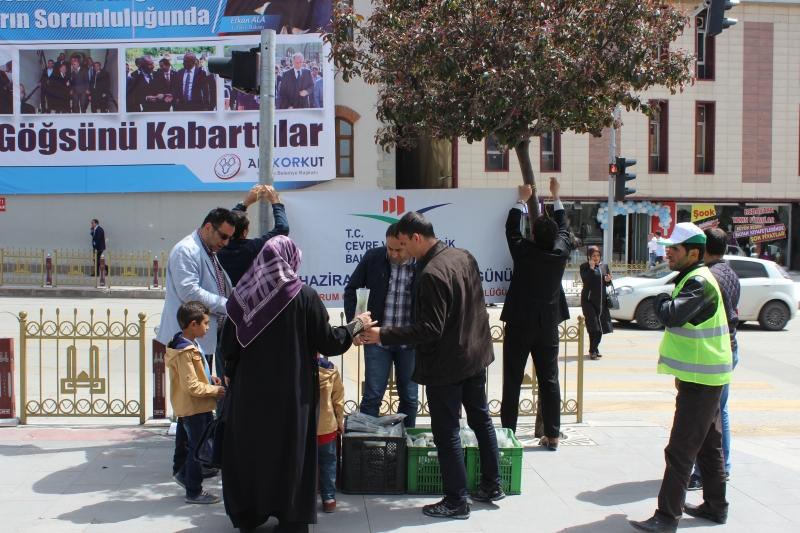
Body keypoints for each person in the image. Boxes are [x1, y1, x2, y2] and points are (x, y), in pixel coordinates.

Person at [220, 236, 374, 533]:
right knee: (289, 453)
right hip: (292, 395)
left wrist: (232, 372)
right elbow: (328, 341)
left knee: (251, 451)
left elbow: (230, 345)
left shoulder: (241, 295)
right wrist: (357, 324)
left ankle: (248, 514)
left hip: (250, 394)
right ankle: (290, 517)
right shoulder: (303, 295)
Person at [359, 212, 502, 519]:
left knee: (446, 431)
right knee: (481, 419)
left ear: (417, 238)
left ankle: (456, 500)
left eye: (405, 245)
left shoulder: (431, 274)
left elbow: (430, 329)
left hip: (448, 363)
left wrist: (383, 333)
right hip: (474, 353)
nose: (404, 253)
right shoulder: (462, 255)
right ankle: (492, 485)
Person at [629, 223, 732, 533]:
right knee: (708, 445)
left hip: (701, 380)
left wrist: (660, 300)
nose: (667, 252)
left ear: (694, 253)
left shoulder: (698, 281)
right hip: (704, 375)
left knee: (681, 448)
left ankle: (666, 517)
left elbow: (672, 314)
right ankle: (715, 507)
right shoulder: (694, 277)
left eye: (674, 249)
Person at [499, 179, 570, 448]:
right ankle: (552, 434)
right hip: (548, 326)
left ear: (533, 236)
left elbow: (510, 229)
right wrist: (556, 197)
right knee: (549, 380)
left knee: (513, 380)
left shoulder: (523, 252)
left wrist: (522, 200)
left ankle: (508, 434)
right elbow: (564, 228)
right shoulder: (561, 251)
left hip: (519, 324)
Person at [344, 223, 419, 428]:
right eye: (390, 249)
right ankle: (367, 446)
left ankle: (405, 446)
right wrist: (355, 324)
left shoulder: (421, 263)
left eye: (399, 250)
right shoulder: (373, 258)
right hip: (376, 341)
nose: (394, 254)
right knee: (372, 396)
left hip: (408, 342)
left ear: (410, 245)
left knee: (410, 398)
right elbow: (352, 290)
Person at [687, 227, 740, 491]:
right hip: (730, 347)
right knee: (721, 411)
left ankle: (705, 471)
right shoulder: (730, 273)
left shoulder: (708, 277)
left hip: (714, 351)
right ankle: (724, 466)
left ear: (704, 248)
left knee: (708, 416)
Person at [166, 301, 226, 505]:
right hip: (195, 407)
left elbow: (197, 375)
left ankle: (184, 474)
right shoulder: (185, 352)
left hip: (191, 405)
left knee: (190, 445)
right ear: (193, 324)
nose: (208, 328)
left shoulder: (189, 344)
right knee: (197, 450)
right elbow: (191, 385)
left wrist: (211, 380)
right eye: (206, 323)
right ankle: (194, 490)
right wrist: (214, 390)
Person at [218, 185, 290, 287]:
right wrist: (276, 202)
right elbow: (283, 228)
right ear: (244, 233)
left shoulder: (218, 248)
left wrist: (245, 203)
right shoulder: (253, 248)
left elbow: (228, 223)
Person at [317, 354, 344, 514]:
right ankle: (329, 499)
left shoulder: (294, 366)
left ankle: (302, 498)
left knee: (304, 465)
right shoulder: (330, 368)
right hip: (326, 426)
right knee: (327, 462)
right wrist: (339, 419)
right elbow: (338, 398)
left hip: (302, 429)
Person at [580, 245, 613, 360]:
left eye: (598, 255)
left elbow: (606, 283)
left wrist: (608, 281)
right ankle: (593, 350)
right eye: (593, 255)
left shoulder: (604, 266)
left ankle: (593, 349)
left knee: (600, 327)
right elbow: (586, 280)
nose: (596, 258)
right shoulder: (584, 267)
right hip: (588, 301)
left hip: (601, 302)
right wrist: (591, 268)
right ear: (589, 256)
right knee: (594, 327)